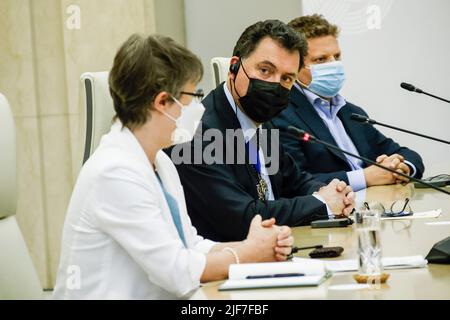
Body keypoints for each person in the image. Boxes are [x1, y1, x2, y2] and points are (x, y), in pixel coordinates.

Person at [52, 34, 294, 300]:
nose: (196, 107)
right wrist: (247, 253)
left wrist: (258, 245)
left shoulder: (161, 162)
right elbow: (177, 271)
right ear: (162, 102)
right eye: (192, 95)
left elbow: (190, 245)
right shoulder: (114, 172)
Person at [166, 20, 355, 242]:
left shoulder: (260, 120)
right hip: (228, 266)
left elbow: (295, 181)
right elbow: (242, 218)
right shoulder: (197, 135)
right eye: (265, 70)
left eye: (286, 78)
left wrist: (334, 191)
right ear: (234, 67)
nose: (275, 85)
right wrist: (322, 203)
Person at [271, 14, 424, 191]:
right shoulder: (281, 116)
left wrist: (401, 167)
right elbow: (294, 183)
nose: (333, 64)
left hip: (379, 207)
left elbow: (405, 153)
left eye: (337, 56)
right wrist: (366, 177)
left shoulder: (351, 112)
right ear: (294, 66)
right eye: (321, 59)